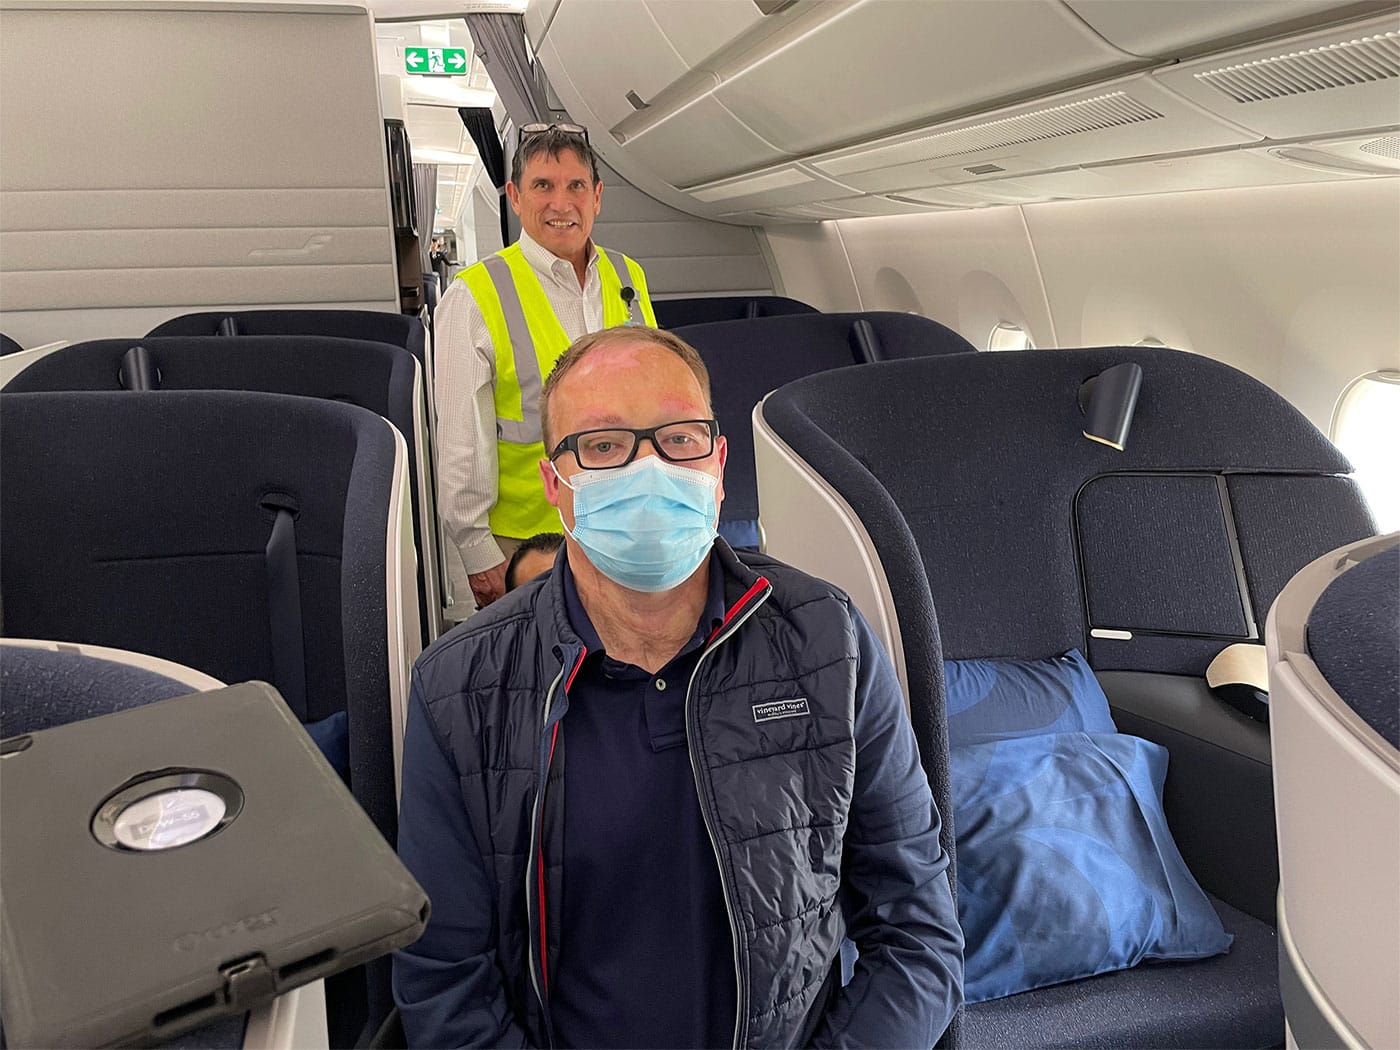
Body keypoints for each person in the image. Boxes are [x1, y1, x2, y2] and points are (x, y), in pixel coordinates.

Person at [393, 326, 964, 1049]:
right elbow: (446, 990)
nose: (649, 468)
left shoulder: (830, 643)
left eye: (679, 438)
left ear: (719, 464)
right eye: (603, 445)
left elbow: (918, 934)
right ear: (554, 486)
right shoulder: (458, 690)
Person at [435, 122, 657, 615]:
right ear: (515, 197)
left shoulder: (628, 276)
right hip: (526, 545)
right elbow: (459, 442)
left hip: (622, 525)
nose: (562, 203)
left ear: (597, 196)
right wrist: (477, 553)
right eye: (543, 186)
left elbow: (652, 397)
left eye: (576, 185)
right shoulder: (473, 295)